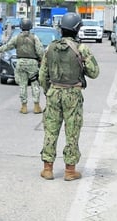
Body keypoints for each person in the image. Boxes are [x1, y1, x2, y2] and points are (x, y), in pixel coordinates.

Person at [38, 12, 99, 181]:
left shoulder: (50, 47)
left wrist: (48, 91)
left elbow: (42, 76)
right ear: (77, 29)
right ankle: (70, 171)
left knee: (50, 131)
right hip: (73, 93)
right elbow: (95, 73)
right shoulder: (81, 49)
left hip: (54, 92)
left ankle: (48, 169)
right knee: (72, 132)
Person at [0, 18, 44, 114]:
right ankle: (36, 106)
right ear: (30, 27)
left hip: (20, 62)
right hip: (32, 63)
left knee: (23, 84)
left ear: (21, 27)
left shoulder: (16, 38)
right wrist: (42, 60)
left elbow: (6, 47)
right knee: (35, 84)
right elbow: (40, 51)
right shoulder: (34, 38)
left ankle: (24, 107)